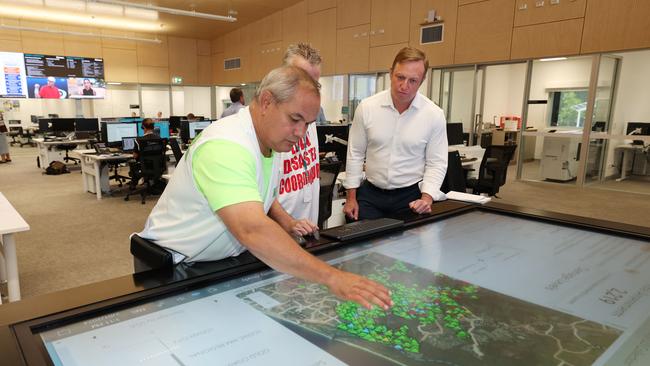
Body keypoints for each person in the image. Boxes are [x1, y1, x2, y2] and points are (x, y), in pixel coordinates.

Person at [136, 66, 392, 310]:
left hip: (222, 260)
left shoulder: (272, 140)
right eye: (295, 119)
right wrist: (333, 278)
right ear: (267, 101)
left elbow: (261, 195)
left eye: (308, 124)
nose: (301, 133)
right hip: (174, 267)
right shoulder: (227, 145)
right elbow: (252, 228)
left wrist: (288, 223)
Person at [343, 47, 448, 221]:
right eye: (400, 77)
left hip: (410, 197)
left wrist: (427, 198)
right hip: (371, 196)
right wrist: (350, 198)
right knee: (362, 246)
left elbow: (437, 162)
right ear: (390, 73)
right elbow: (355, 154)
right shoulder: (367, 108)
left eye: (413, 80)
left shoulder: (433, 114)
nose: (404, 86)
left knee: (406, 247)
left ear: (421, 81)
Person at [278, 43, 323, 225]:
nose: (309, 89)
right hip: (278, 230)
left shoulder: (310, 117)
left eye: (315, 83)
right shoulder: (270, 124)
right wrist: (289, 223)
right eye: (301, 80)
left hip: (307, 225)